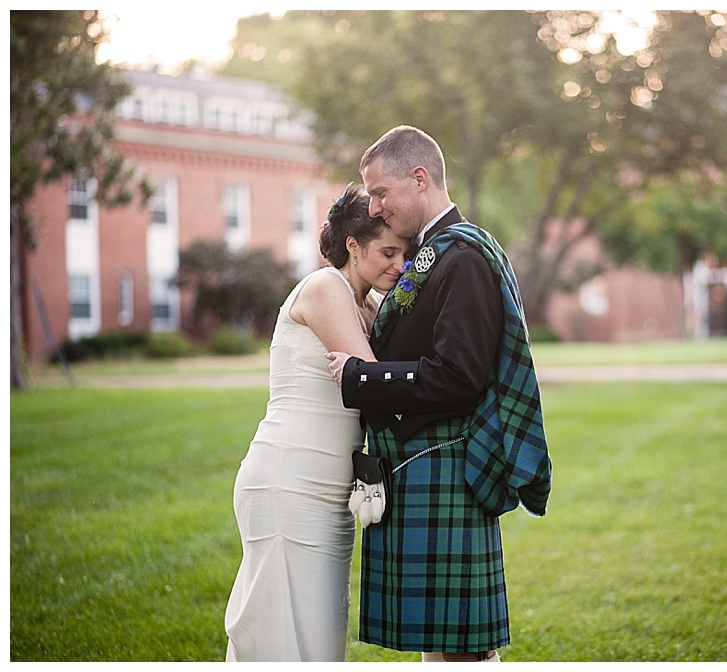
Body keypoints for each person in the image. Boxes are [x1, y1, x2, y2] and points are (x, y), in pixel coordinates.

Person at [326, 126, 552, 662]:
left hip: (443, 465)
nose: (375, 207)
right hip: (423, 464)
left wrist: (360, 376)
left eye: (380, 192)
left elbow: (459, 375)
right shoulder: (433, 254)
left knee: (462, 653)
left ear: (420, 178)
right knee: (442, 650)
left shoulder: (462, 257)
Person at [224, 184, 409, 661]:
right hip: (290, 479)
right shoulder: (326, 287)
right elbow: (375, 383)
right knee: (286, 640)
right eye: (388, 252)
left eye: (404, 255)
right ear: (353, 246)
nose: (399, 265)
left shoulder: (368, 305)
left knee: (321, 642)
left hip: (330, 490)